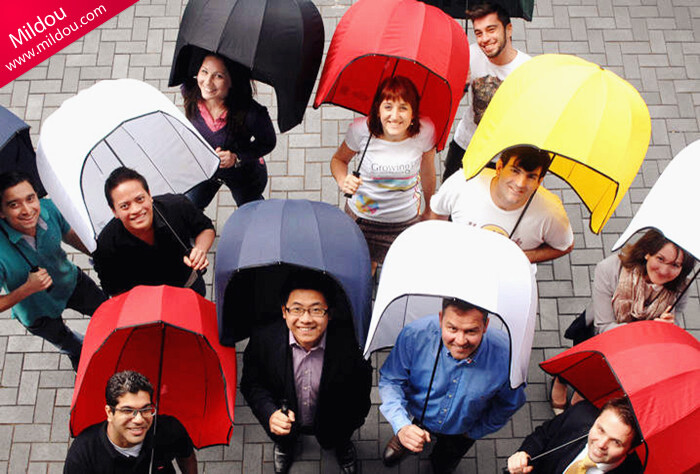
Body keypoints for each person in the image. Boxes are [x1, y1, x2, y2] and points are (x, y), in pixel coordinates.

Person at [240, 270, 372, 474]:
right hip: (285, 419)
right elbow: (251, 383)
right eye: (297, 309)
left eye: (316, 310)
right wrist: (270, 414)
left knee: (338, 438)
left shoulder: (353, 345)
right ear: (284, 311)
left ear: (330, 313)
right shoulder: (263, 339)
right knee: (284, 435)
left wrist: (349, 422)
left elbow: (360, 393)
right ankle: (285, 446)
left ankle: (342, 446)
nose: (306, 319)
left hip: (334, 422)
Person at [550, 229, 693, 413]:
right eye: (660, 259)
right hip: (598, 334)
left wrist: (669, 327)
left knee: (602, 379)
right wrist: (649, 330)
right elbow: (603, 327)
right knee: (579, 366)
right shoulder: (610, 269)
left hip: (635, 350)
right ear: (648, 252)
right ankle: (561, 381)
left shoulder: (682, 287)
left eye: (675, 265)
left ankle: (583, 395)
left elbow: (677, 317)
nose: (665, 270)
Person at [378, 298, 525, 473]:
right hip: (419, 413)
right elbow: (391, 379)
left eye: (471, 331)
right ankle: (406, 437)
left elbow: (510, 403)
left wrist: (476, 431)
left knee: (445, 463)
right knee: (411, 431)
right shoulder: (414, 335)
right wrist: (401, 425)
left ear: (485, 325)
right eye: (452, 328)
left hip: (462, 430)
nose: (460, 341)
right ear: (440, 319)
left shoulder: (508, 357)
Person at [0, 171, 106, 371]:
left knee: (106, 312)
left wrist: (99, 256)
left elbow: (70, 235)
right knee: (66, 342)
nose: (27, 210)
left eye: (30, 198)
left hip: (72, 283)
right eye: (14, 204)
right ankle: (77, 352)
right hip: (36, 311)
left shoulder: (50, 209)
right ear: (1, 212)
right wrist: (28, 288)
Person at [330, 75, 436, 274]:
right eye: (388, 107)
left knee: (399, 273)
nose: (394, 116)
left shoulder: (426, 131)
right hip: (362, 220)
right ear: (378, 109)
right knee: (363, 269)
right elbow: (338, 160)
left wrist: (430, 207)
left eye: (403, 107)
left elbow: (428, 170)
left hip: (404, 222)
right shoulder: (361, 130)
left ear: (413, 113)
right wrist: (343, 180)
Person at [430, 146, 574, 263]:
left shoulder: (552, 212)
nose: (520, 184)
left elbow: (565, 246)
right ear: (499, 168)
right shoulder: (462, 183)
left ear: (539, 181)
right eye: (515, 171)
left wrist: (521, 258)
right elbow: (437, 212)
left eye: (531, 176)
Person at [442, 1, 531, 180]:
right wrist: (459, 86)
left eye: (491, 30)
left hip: (502, 156)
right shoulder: (470, 55)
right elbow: (451, 103)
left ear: (509, 29)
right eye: (478, 33)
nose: (484, 39)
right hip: (465, 146)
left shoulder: (528, 70)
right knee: (448, 199)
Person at [93, 167, 215, 297]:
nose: (136, 210)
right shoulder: (106, 245)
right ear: (114, 211)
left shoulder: (176, 206)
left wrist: (200, 249)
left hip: (189, 287)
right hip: (145, 304)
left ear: (149, 195)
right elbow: (114, 290)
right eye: (124, 206)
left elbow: (205, 228)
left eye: (140, 199)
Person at [182, 53, 276, 209]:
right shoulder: (189, 92)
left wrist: (236, 157)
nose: (207, 82)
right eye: (204, 71)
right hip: (205, 171)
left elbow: (268, 143)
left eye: (218, 76)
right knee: (188, 208)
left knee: (251, 212)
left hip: (243, 175)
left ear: (233, 80)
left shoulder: (252, 113)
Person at [64, 370, 197, 473]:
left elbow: (186, 456)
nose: (139, 420)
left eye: (146, 409)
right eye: (127, 410)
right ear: (110, 413)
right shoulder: (82, 457)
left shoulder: (168, 429)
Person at [507, 397, 643, 473]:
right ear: (596, 419)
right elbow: (543, 435)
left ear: (630, 449)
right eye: (600, 430)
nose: (601, 444)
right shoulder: (580, 414)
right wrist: (524, 454)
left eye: (616, 442)